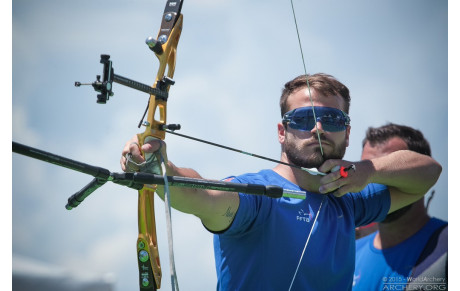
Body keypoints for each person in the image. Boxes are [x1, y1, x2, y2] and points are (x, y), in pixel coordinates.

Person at [121, 73, 442, 290]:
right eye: (303, 119)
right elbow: (204, 194)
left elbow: (428, 173)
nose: (317, 129)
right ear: (281, 131)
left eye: (331, 119)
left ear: (346, 134)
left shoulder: (348, 200)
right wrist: (160, 168)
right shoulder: (257, 197)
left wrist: (368, 170)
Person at [353, 123, 447, 290]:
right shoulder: (348, 254)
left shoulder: (448, 246)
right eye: (366, 171)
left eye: (389, 170)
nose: (375, 182)